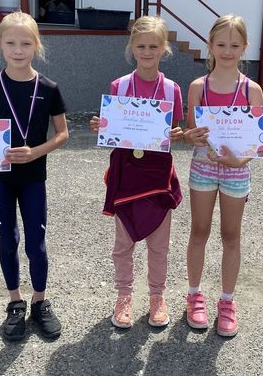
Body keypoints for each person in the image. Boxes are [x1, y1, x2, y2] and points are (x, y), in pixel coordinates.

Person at [0, 11, 69, 340]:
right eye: (11, 43)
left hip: (33, 176)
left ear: (37, 45)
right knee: (8, 238)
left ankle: (40, 302)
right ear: (0, 44)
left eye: (26, 43)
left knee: (36, 242)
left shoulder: (49, 88)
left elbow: (63, 134)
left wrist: (35, 152)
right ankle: (15, 302)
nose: (18, 50)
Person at [90, 16, 184, 329]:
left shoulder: (172, 89)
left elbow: (173, 132)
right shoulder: (119, 86)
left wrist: (178, 135)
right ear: (132, 47)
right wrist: (103, 128)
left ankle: (157, 296)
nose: (147, 52)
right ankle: (124, 296)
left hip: (158, 176)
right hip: (127, 174)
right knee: (123, 244)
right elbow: (114, 130)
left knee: (159, 245)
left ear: (164, 48)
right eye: (141, 46)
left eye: (153, 46)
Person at [182, 14, 263, 337]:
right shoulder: (198, 87)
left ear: (244, 48)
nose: (227, 51)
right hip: (203, 166)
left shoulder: (252, 90)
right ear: (210, 46)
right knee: (199, 231)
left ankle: (227, 301)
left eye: (234, 45)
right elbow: (191, 131)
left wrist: (236, 161)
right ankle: (194, 295)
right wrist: (191, 136)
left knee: (231, 236)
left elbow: (257, 143)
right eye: (221, 44)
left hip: (236, 170)